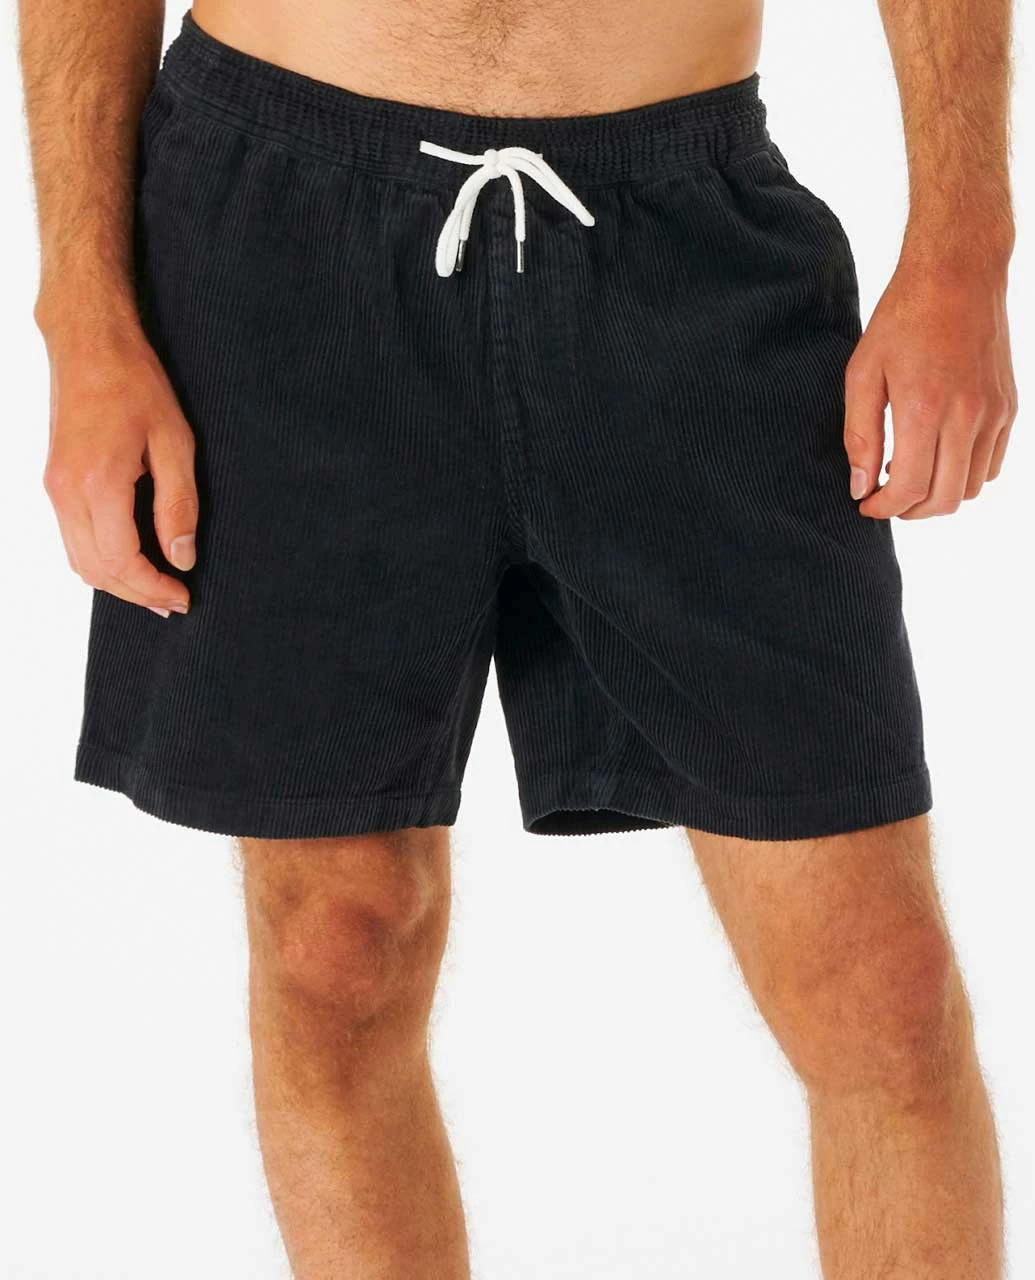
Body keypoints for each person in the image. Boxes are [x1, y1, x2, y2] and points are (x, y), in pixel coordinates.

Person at [18, 0, 1016, 1272]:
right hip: (281, 235)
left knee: (880, 981)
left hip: (685, 233)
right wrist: (84, 312)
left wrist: (965, 243)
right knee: (336, 945)